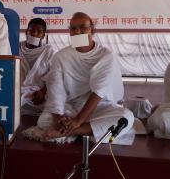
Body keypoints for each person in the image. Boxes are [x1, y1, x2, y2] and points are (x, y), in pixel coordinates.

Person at [26, 12, 134, 144]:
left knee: (126, 117)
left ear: (92, 30)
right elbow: (55, 90)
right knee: (44, 120)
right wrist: (58, 117)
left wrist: (77, 122)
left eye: (83, 27)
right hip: (71, 106)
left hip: (99, 106)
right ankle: (80, 128)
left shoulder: (106, 56)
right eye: (73, 28)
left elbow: (98, 92)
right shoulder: (61, 56)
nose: (77, 31)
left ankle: (72, 131)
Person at [20, 18, 60, 115]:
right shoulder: (16, 48)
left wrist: (43, 91)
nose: (34, 34)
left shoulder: (48, 52)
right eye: (31, 31)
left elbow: (54, 76)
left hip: (39, 95)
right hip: (18, 93)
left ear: (43, 35)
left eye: (39, 31)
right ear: (26, 32)